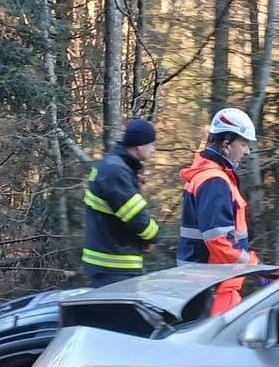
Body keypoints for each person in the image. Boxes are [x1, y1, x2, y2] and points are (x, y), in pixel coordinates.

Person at [178, 107, 263, 315]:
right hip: (213, 290)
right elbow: (219, 243)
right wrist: (255, 265)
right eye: (243, 144)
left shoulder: (210, 176)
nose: (247, 152)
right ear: (226, 144)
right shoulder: (214, 181)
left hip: (208, 287)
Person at [81, 117, 162, 286]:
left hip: (112, 264)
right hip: (112, 267)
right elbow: (136, 218)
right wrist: (154, 237)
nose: (153, 149)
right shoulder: (116, 171)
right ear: (139, 147)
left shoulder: (116, 166)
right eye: (151, 145)